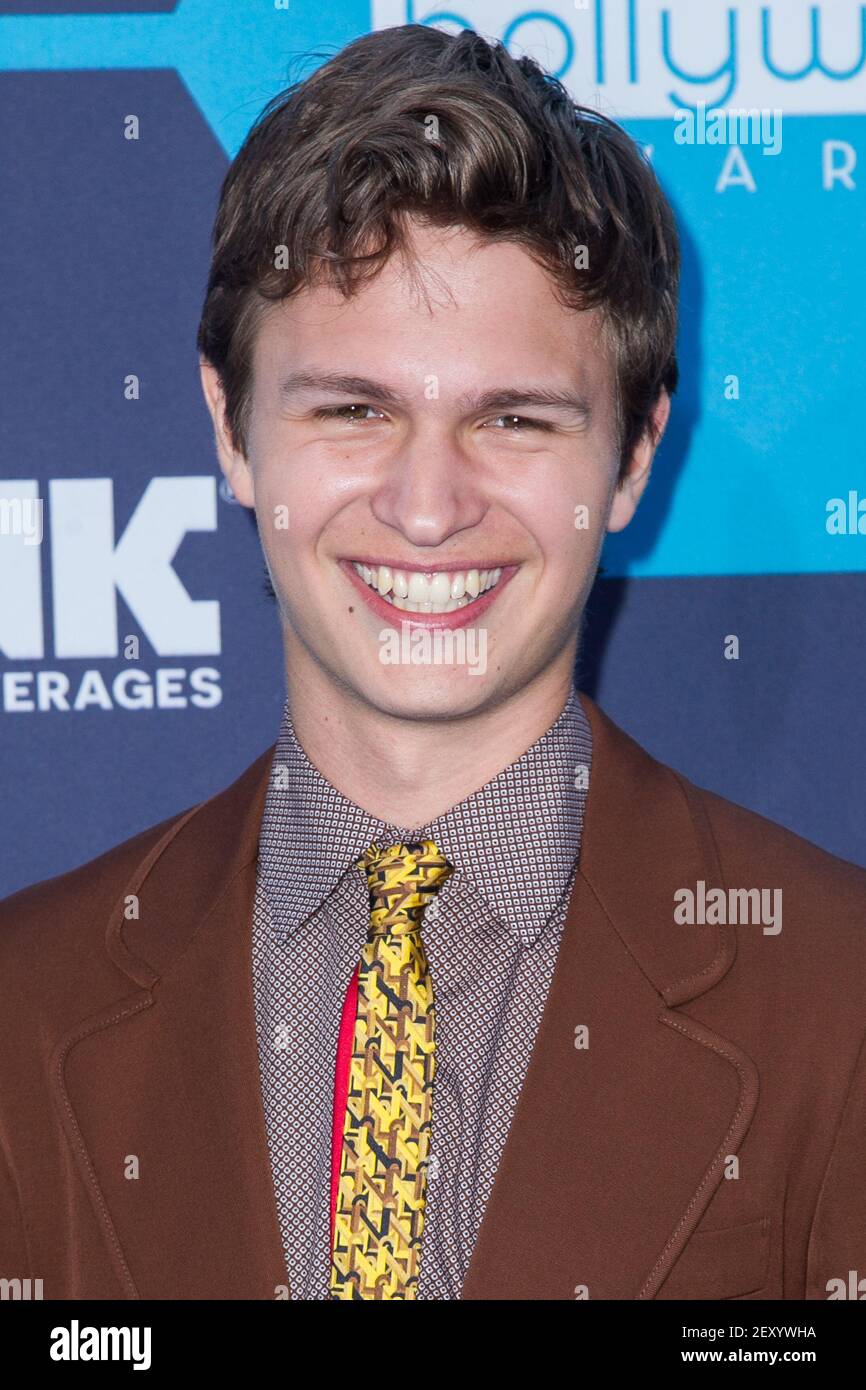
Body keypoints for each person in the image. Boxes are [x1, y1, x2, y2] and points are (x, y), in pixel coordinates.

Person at [1, 23, 865, 1302]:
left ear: (629, 458)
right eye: (353, 409)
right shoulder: (24, 1004)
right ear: (230, 431)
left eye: (511, 419)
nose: (424, 505)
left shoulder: (835, 994)